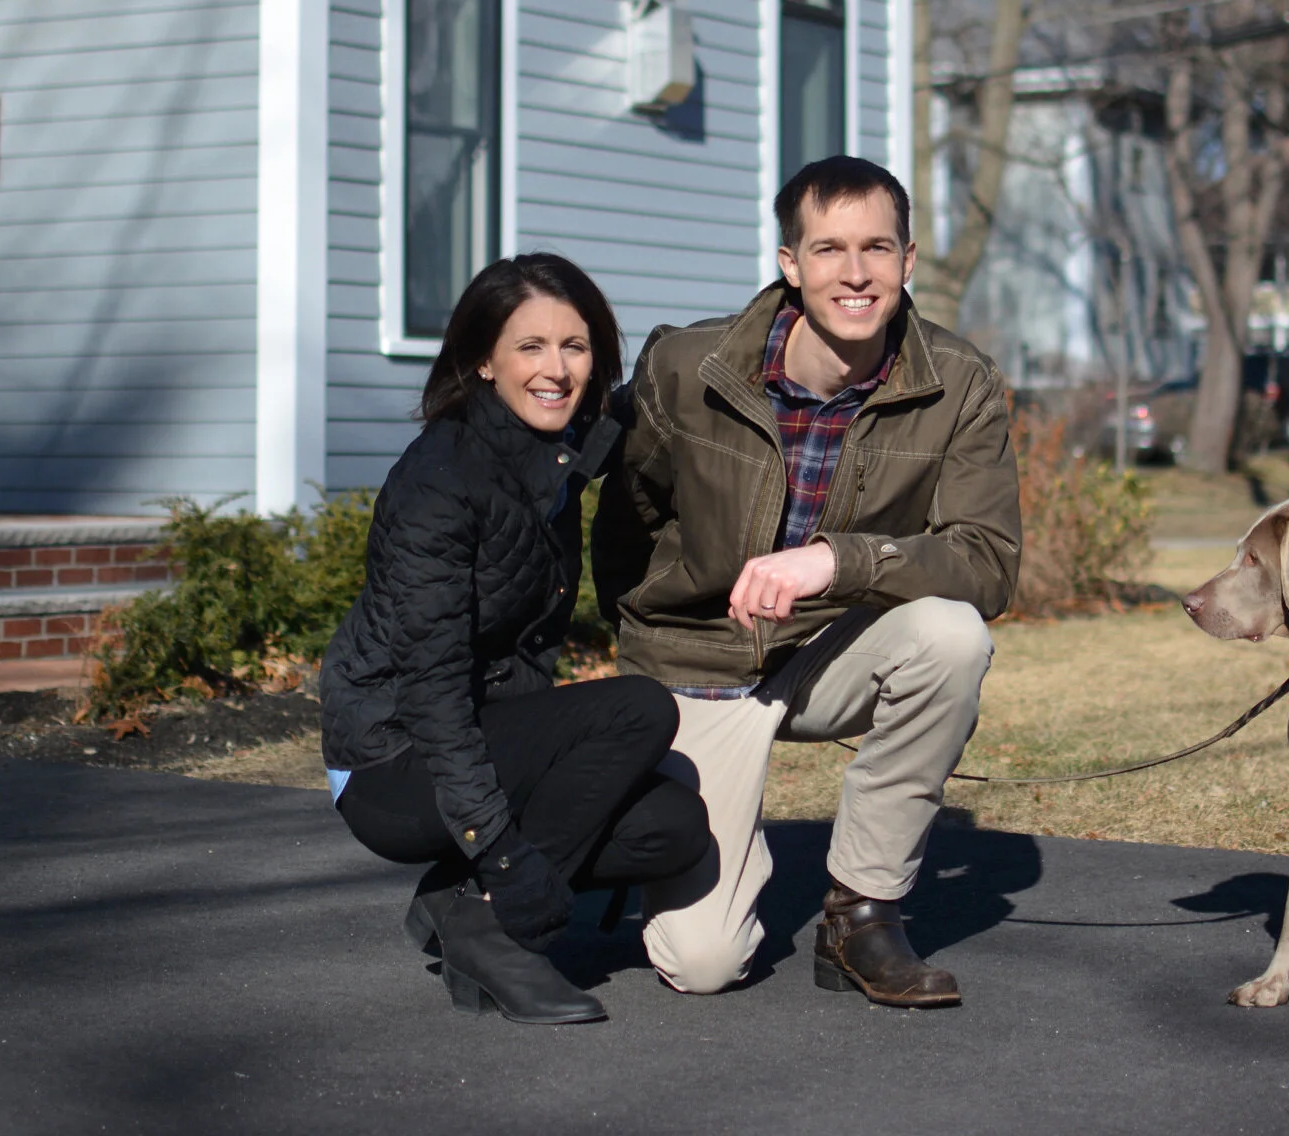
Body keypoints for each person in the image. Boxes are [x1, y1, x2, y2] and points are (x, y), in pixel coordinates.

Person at [594, 156, 1021, 1008]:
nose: (854, 274)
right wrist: (649, 646)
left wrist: (841, 558)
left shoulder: (960, 383)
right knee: (704, 964)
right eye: (828, 250)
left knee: (951, 636)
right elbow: (625, 519)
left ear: (907, 258)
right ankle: (637, 828)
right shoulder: (687, 367)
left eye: (877, 248)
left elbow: (988, 561)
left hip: (831, 651)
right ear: (790, 263)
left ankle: (862, 914)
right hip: (700, 666)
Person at [318, 254, 712, 1025]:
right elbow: (431, 695)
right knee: (637, 711)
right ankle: (489, 924)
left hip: (473, 735)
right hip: (393, 760)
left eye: (576, 346)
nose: (556, 369)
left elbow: (651, 395)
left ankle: (456, 903)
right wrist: (501, 854)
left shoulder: (551, 458)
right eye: (530, 346)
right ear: (481, 361)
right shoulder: (441, 482)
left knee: (672, 828)